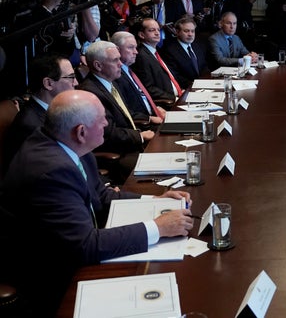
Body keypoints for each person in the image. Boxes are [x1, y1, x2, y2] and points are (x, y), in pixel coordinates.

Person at [0, 89, 193, 316]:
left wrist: (154, 199)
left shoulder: (68, 143)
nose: (106, 123)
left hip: (77, 243)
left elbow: (100, 195)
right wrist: (159, 227)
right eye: (101, 119)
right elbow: (85, 246)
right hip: (48, 274)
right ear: (81, 131)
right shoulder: (51, 171)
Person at [2, 55, 78, 172]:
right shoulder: (31, 126)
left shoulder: (57, 111)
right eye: (71, 77)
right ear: (48, 83)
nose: (76, 83)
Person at [111, 31, 166, 126]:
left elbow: (142, 95)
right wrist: (149, 118)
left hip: (154, 115)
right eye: (130, 47)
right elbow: (125, 110)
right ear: (117, 50)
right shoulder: (116, 76)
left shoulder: (129, 69)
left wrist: (155, 108)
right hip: (144, 124)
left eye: (135, 47)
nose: (136, 52)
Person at [131, 18, 182, 103]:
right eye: (151, 30)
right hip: (168, 102)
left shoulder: (158, 50)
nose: (157, 33)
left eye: (158, 29)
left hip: (178, 95)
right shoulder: (141, 56)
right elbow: (148, 88)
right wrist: (174, 98)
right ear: (141, 35)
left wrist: (181, 91)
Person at [160, 16, 207, 89]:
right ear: (177, 32)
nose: (190, 34)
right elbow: (176, 75)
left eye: (192, 31)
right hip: (186, 88)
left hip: (203, 86)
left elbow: (203, 66)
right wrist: (195, 85)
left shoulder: (198, 45)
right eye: (186, 31)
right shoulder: (169, 50)